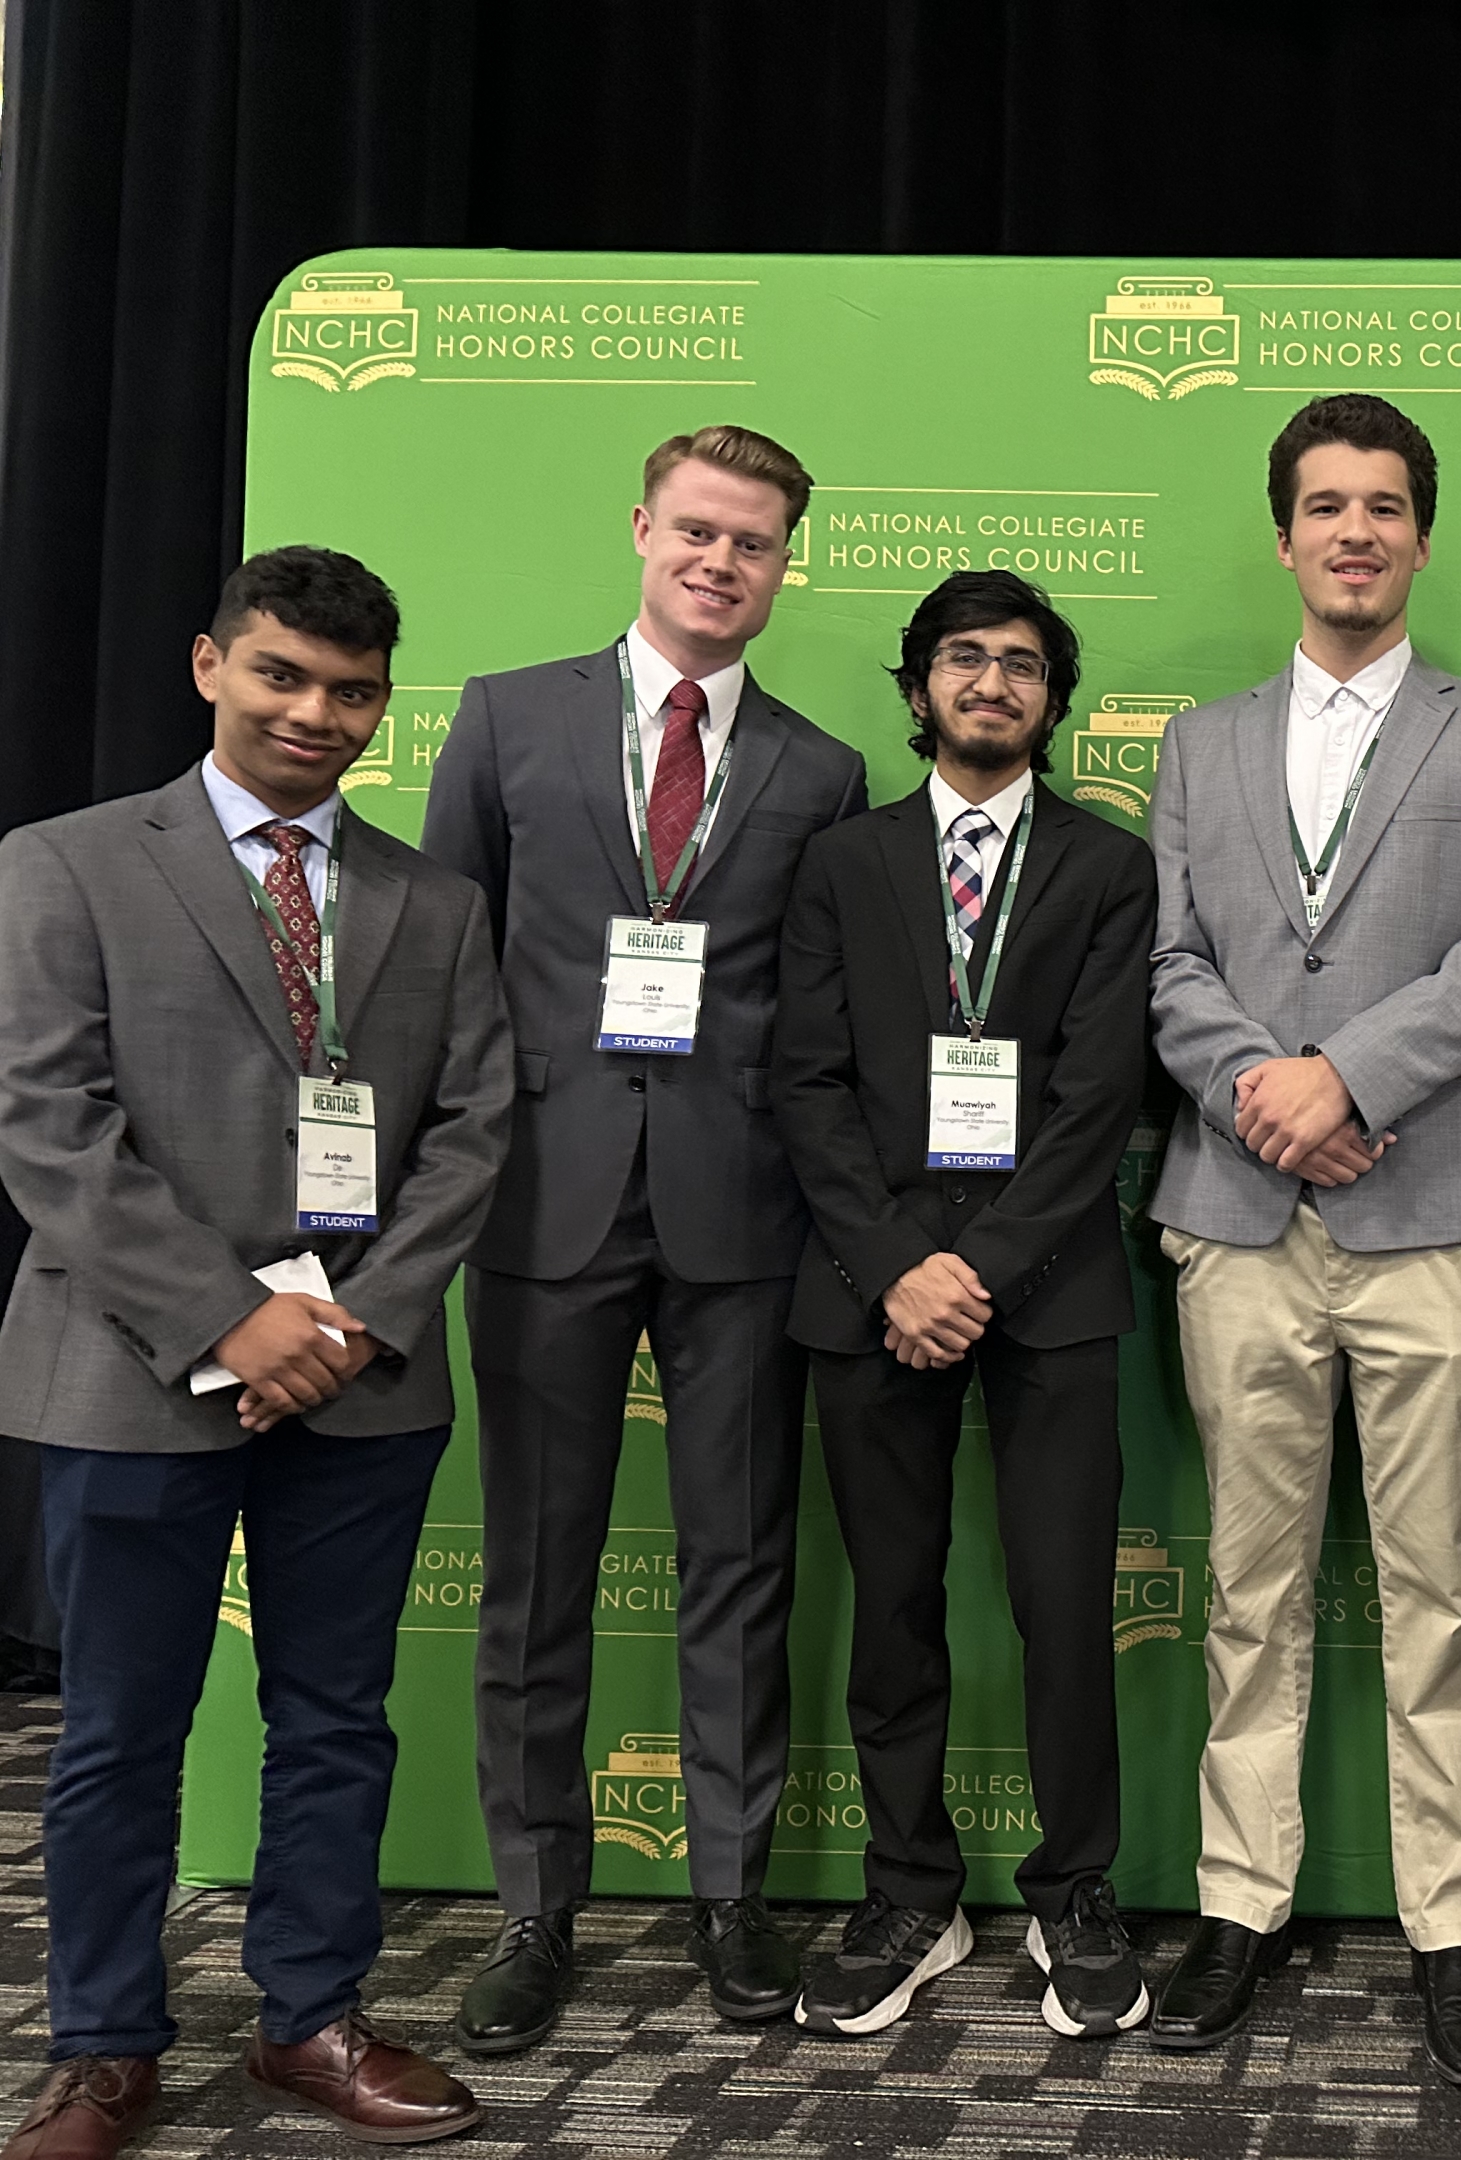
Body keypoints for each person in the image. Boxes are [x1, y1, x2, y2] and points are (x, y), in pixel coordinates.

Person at [0, 549, 512, 2159]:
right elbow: (50, 1125)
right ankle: (103, 2045)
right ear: (211, 662)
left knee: (338, 1720)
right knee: (119, 1730)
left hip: (364, 1381)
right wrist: (231, 1318)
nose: (317, 713)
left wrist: (349, 1324)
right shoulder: (67, 864)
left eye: (352, 690)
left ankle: (311, 2018)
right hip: (135, 1370)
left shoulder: (437, 902)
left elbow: (476, 1126)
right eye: (283, 675)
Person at [421, 426, 870, 2052]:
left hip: (741, 1211)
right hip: (541, 1197)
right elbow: (441, 964)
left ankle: (732, 1894)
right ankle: (536, 1907)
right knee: (536, 1567)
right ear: (641, 530)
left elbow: (821, 1012)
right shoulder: (505, 714)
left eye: (752, 543)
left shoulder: (821, 771)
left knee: (739, 1566)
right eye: (696, 531)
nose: (719, 563)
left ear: (782, 565)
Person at [1144, 393, 1461, 2080]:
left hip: (1424, 1220)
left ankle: (1451, 1924)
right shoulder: (1201, 741)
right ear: (1283, 535)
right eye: (1326, 506)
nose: (1355, 533)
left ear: (1421, 534)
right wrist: (1266, 1088)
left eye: (1385, 506)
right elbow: (1171, 967)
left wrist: (1347, 1074)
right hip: (1239, 1219)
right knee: (1249, 1595)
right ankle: (1238, 1902)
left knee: (1438, 1591)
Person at [771, 570, 1157, 2040]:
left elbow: (1097, 1096)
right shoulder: (840, 862)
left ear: (1052, 699)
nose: (989, 683)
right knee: (895, 1607)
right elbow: (803, 1083)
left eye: (1019, 665)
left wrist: (977, 1271)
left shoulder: (1108, 870)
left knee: (1066, 1609)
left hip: (1046, 1288)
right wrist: (897, 1268)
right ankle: (908, 1891)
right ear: (920, 686)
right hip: (870, 1293)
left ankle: (1075, 1892)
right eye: (961, 661)